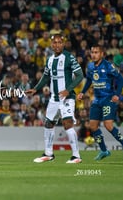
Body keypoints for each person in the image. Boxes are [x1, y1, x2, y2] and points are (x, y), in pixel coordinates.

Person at [26, 33, 84, 164]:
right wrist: (36, 88)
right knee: (48, 123)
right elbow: (46, 77)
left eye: (59, 42)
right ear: (51, 45)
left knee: (67, 123)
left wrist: (68, 90)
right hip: (54, 98)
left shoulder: (69, 57)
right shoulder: (50, 59)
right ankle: (48, 153)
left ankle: (76, 156)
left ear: (63, 44)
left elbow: (80, 75)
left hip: (67, 97)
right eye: (54, 43)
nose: (57, 45)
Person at [77, 44, 123, 160]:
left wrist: (117, 94)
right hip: (96, 100)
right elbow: (88, 80)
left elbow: (122, 80)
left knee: (108, 125)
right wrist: (82, 92)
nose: (93, 54)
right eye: (92, 52)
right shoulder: (90, 66)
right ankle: (104, 150)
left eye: (96, 52)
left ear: (102, 54)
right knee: (93, 126)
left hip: (108, 98)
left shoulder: (108, 66)